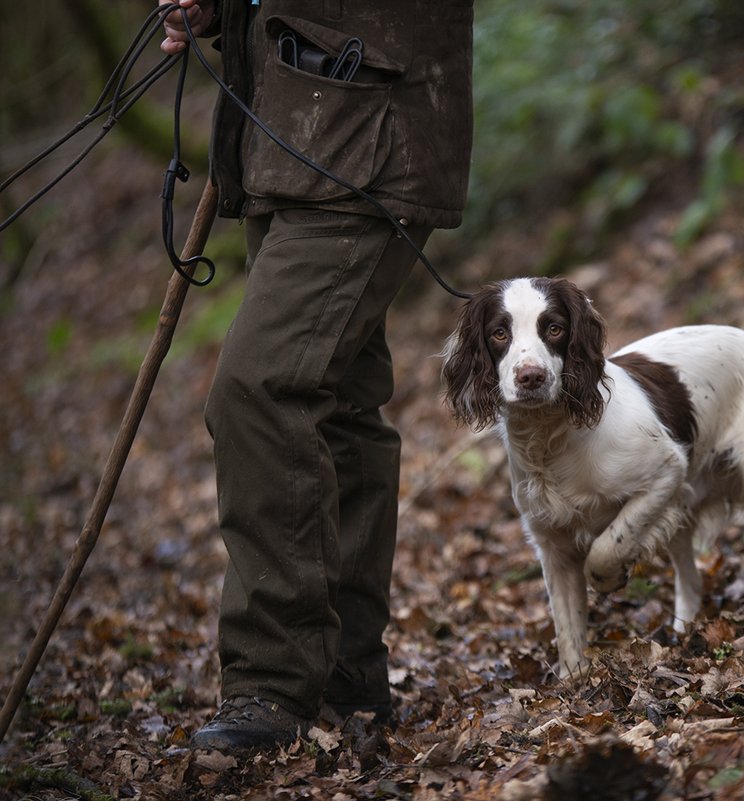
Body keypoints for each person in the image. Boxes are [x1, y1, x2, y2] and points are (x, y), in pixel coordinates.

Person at [159, 0, 473, 751]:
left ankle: (274, 684)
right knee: (336, 410)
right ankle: (346, 677)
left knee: (258, 390)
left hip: (372, 127)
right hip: (290, 131)